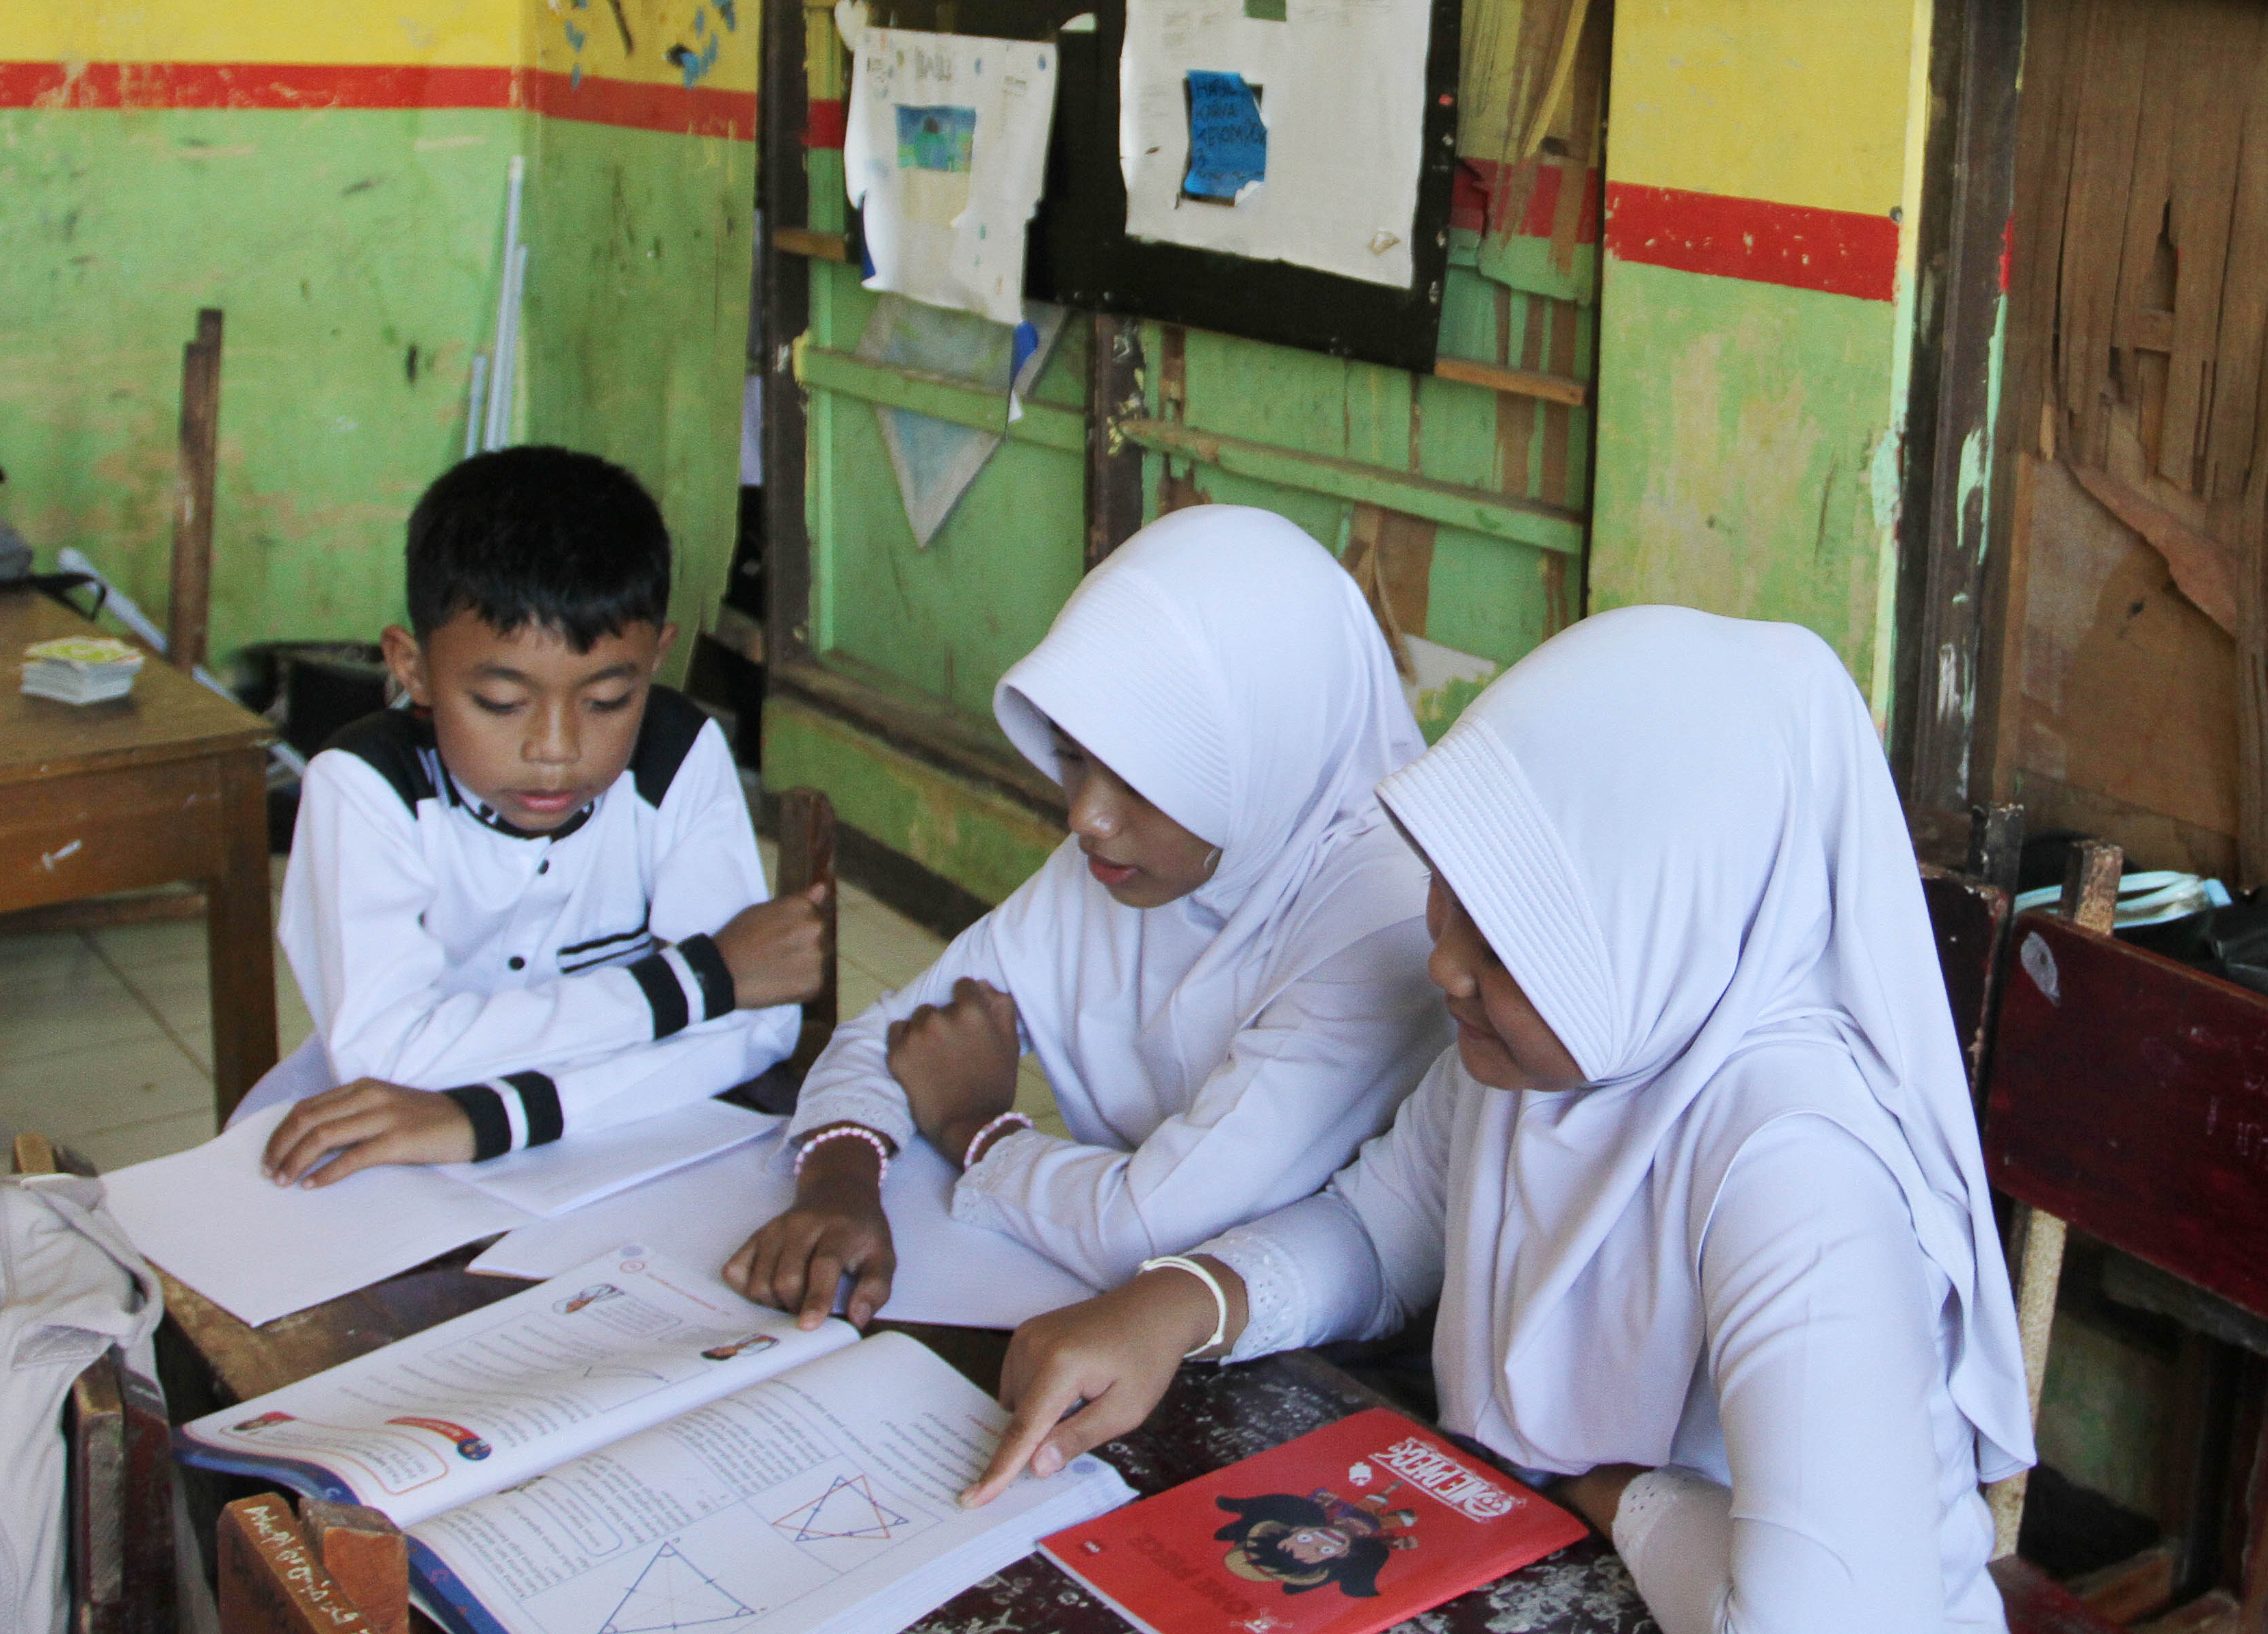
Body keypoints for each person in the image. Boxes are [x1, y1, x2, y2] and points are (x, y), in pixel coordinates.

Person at [964, 607, 2035, 1634]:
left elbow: (1824, 1622)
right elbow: (1382, 1228)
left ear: (1661, 931)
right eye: (1449, 897)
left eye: (1510, 939)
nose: (1445, 966)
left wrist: (1618, 1495)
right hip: (1563, 1558)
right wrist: (1178, 1304)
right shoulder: (1551, 1053)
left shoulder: (1797, 1167)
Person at [726, 504, 1447, 1329]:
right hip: (1111, 1316)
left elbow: (1159, 1228)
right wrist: (841, 1182)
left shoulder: (1385, 916)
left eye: (1142, 779)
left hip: (1314, 1350)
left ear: (1268, 749)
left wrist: (976, 1128)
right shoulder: (1127, 864)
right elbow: (898, 1035)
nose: (1086, 818)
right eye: (1070, 758)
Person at [239, 447, 826, 1183]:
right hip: (388, 1133)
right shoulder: (365, 788)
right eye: (502, 703)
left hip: (619, 1137)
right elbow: (390, 1056)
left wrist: (500, 1117)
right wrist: (694, 983)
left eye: (609, 700)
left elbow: (757, 1025)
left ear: (655, 660)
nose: (556, 750)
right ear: (411, 665)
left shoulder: (678, 752)